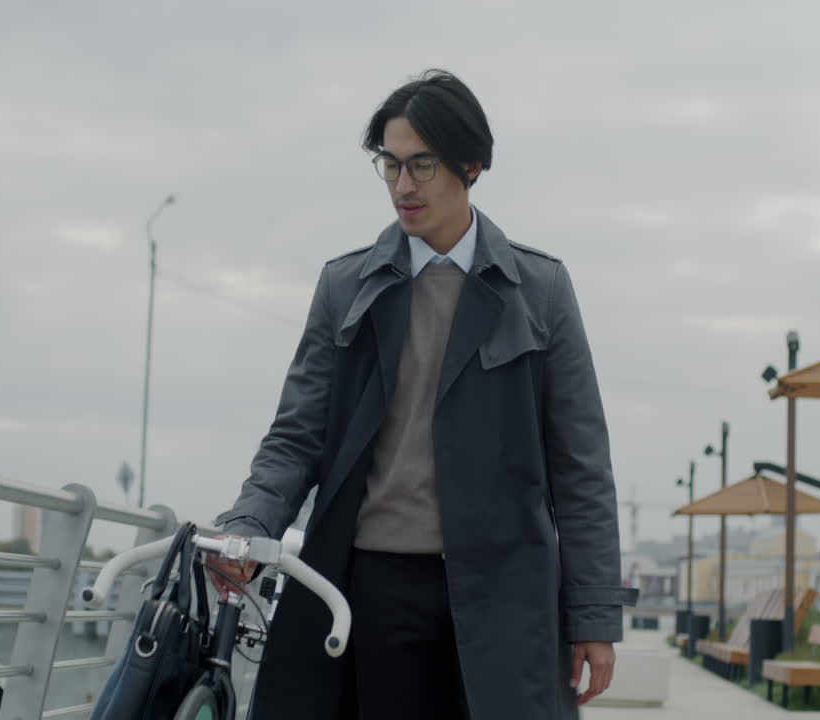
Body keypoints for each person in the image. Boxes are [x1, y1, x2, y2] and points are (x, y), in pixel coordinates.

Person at [207, 69, 635, 720]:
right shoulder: (345, 287)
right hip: (372, 588)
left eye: (422, 165)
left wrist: (594, 615)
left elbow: (581, 467)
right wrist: (248, 526)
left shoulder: (540, 291)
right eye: (390, 165)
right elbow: (295, 438)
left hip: (504, 594)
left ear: (471, 165)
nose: (403, 185)